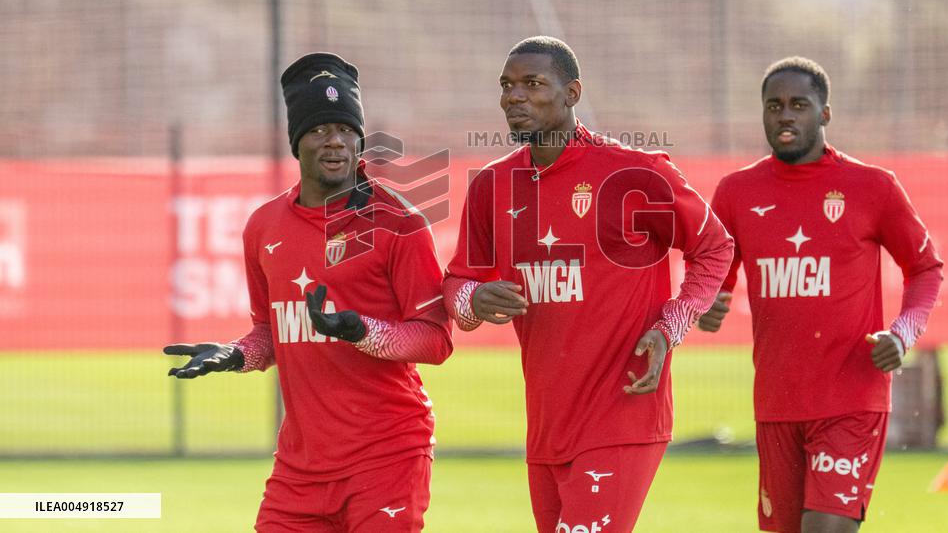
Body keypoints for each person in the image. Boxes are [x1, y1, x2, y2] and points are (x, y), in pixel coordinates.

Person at [442, 36, 734, 532]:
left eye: (532, 84)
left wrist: (670, 327)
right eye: (506, 86)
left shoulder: (637, 172)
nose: (514, 96)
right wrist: (474, 297)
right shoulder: (491, 184)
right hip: (548, 426)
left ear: (572, 93)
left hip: (623, 413)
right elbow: (456, 289)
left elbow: (715, 246)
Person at [164, 52, 453, 532]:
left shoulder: (399, 222)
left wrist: (362, 331)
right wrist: (237, 355)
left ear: (361, 139)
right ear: (297, 142)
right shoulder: (263, 226)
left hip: (387, 456)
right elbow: (269, 331)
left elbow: (436, 340)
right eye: (320, 129)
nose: (335, 141)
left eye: (346, 129)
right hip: (300, 469)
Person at [698, 57, 944, 533]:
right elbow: (711, 277)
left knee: (827, 527)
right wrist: (705, 304)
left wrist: (903, 332)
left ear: (824, 114)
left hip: (852, 397)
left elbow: (926, 269)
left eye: (799, 105)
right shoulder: (736, 192)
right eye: (774, 106)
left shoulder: (873, 187)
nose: (785, 115)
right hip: (777, 401)